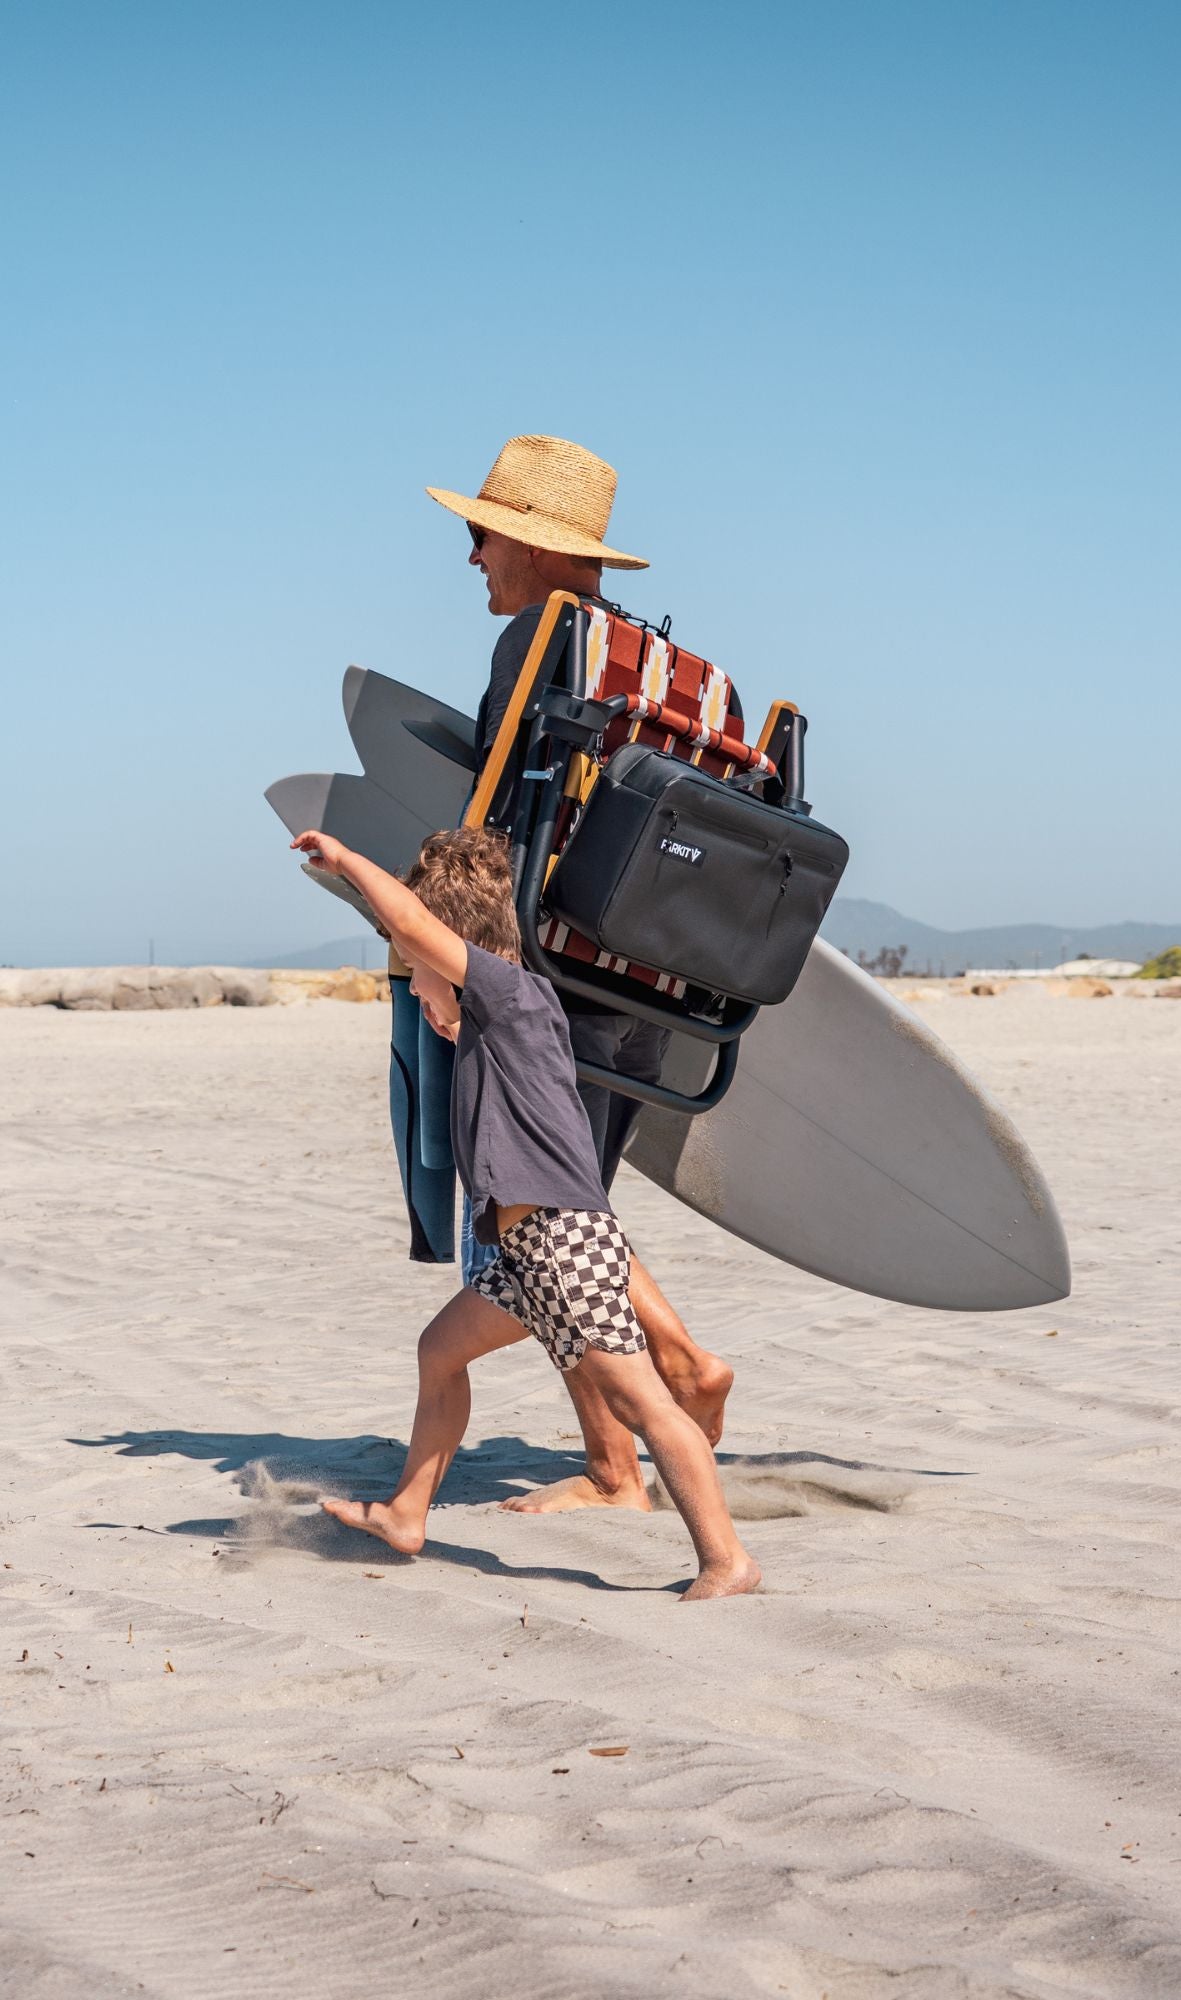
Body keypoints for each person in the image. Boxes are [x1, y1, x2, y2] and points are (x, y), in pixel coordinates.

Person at [293, 823, 759, 1600]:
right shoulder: (496, 1018)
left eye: (419, 971)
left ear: (455, 948)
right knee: (439, 1351)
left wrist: (344, 862)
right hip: (524, 1257)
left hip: (563, 1243)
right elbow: (439, 980)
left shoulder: (509, 996)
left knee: (643, 1403)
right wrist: (447, 1015)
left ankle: (726, 1560)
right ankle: (408, 1513)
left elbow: (411, 924)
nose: (415, 985)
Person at [423, 435, 735, 1514]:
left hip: (555, 985)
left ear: (535, 545)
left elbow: (496, 818)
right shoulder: (689, 676)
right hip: (656, 986)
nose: (472, 559)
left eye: (481, 535)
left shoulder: (541, 643)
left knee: (536, 1220)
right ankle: (648, 1409)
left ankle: (635, 1438)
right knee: (573, 1210)